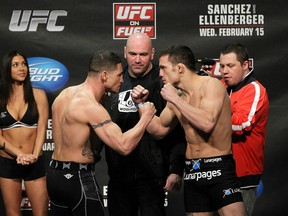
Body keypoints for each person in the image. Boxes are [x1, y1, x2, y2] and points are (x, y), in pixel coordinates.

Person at [132, 45, 245, 216]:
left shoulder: (211, 85)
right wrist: (141, 104)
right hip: (193, 172)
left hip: (219, 169)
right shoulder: (177, 96)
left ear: (180, 68)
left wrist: (174, 100)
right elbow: (159, 129)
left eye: (163, 68)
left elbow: (207, 123)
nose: (160, 73)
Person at [47, 50, 156, 216]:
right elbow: (124, 146)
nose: (123, 79)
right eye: (119, 74)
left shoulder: (65, 95)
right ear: (104, 75)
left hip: (55, 176)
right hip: (78, 178)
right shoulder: (91, 106)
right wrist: (145, 117)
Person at [98, 33, 186, 216]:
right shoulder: (115, 82)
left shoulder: (164, 82)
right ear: (124, 52)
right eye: (133, 54)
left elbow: (178, 131)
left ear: (152, 53)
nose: (137, 60)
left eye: (143, 54)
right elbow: (102, 124)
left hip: (153, 177)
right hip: (119, 177)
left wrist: (176, 168)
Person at [219, 43, 269, 216]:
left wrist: (210, 119)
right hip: (221, 170)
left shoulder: (254, 89)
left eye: (230, 66)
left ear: (246, 65)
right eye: (222, 66)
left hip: (244, 174)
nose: (224, 71)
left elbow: (242, 124)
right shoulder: (224, 87)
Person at [0, 50, 49, 216]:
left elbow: (42, 127)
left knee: (41, 213)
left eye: (24, 64)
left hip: (34, 161)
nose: (22, 68)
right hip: (7, 162)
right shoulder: (0, 98)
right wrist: (19, 154)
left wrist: (34, 155)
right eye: (16, 65)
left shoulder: (38, 94)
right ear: (7, 69)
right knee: (12, 213)